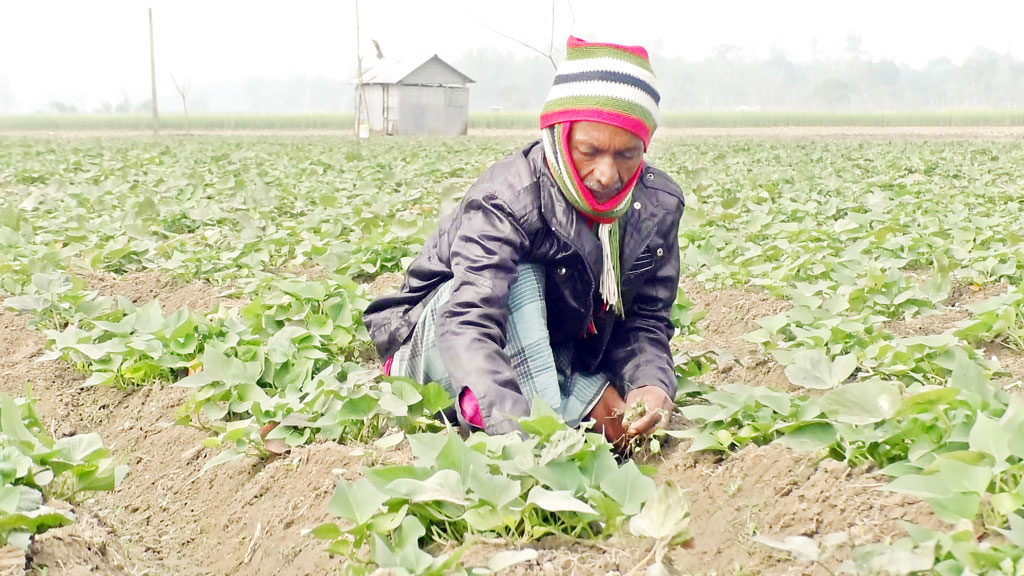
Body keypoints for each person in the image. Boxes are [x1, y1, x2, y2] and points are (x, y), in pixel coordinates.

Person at [363, 36, 684, 449]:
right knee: (527, 274)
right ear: (560, 136)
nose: (607, 174)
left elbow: (644, 320)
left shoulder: (654, 206)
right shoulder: (508, 197)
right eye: (590, 150)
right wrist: (518, 437)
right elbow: (468, 324)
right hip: (440, 345)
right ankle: (546, 440)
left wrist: (650, 381)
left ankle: (561, 415)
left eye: (627, 154)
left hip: (546, 343)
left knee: (623, 420)